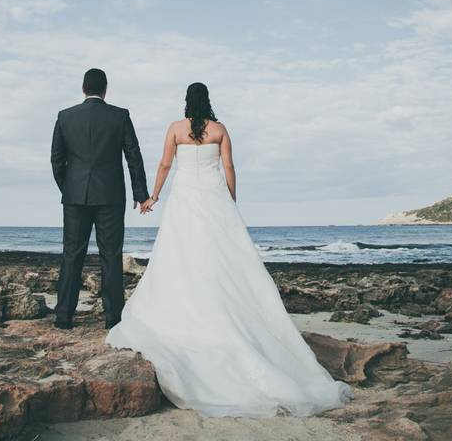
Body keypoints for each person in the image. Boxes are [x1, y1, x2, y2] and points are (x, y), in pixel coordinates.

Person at [105, 82, 353, 417]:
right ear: (207, 101)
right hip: (213, 197)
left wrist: (153, 196)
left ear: (186, 102)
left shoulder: (175, 129)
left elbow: (164, 165)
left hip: (184, 198)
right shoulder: (220, 130)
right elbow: (229, 168)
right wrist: (231, 202)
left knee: (181, 255)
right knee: (219, 259)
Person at [50, 68, 150, 329]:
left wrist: (69, 188)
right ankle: (113, 319)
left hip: (75, 196)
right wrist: (141, 195)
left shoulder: (65, 117)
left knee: (72, 255)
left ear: (83, 88)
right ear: (105, 90)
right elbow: (133, 157)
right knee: (111, 256)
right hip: (110, 196)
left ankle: (63, 318)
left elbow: (56, 160)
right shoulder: (120, 116)